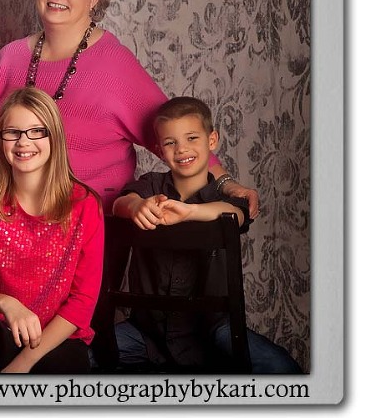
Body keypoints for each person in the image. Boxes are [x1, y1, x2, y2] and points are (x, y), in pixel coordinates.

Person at [0, 0, 260, 216]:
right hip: (3, 223)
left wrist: (225, 183)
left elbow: (176, 132)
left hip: (89, 227)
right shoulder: (9, 58)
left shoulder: (114, 65)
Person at [110, 96, 301, 373]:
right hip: (148, 331)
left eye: (191, 138)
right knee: (79, 357)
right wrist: (135, 206)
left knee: (280, 368)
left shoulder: (226, 197)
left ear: (212, 141)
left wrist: (190, 212)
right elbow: (119, 203)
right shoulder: (151, 186)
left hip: (211, 329)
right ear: (160, 151)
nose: (181, 149)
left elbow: (235, 214)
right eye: (170, 143)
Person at [0, 87, 104, 373]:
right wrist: (6, 303)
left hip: (57, 337)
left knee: (65, 367)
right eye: (13, 132)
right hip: (4, 329)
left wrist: (21, 365)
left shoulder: (85, 205)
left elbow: (83, 300)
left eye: (37, 131)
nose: (23, 142)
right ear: (0, 141)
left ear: (54, 137)